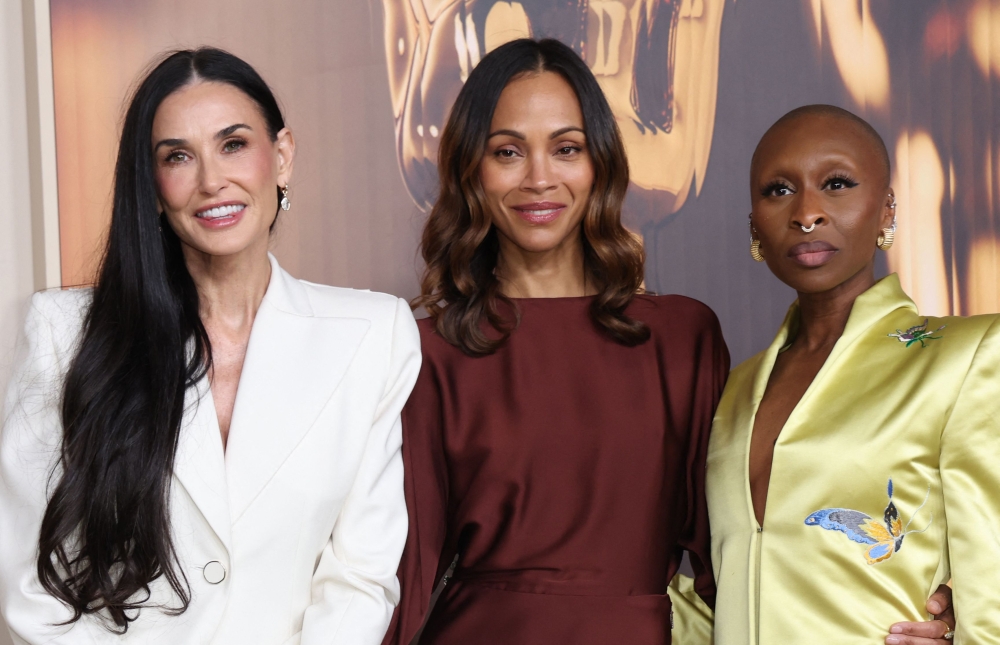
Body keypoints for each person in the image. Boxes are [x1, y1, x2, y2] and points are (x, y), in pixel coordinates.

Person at [0, 48, 420, 644]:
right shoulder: (63, 333)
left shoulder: (374, 334)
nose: (211, 180)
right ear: (152, 185)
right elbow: (33, 586)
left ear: (281, 155)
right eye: (178, 156)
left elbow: (360, 576)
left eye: (233, 144)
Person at [381, 38, 727, 645]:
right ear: (472, 171)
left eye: (566, 148)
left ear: (599, 164)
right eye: (508, 152)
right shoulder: (428, 353)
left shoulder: (681, 338)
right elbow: (403, 576)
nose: (540, 178)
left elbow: (734, 553)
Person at [707, 105, 997, 644]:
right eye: (778, 191)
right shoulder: (731, 390)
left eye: (836, 183)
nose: (807, 213)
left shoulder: (969, 355)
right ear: (754, 226)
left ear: (887, 209)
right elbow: (721, 587)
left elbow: (995, 572)